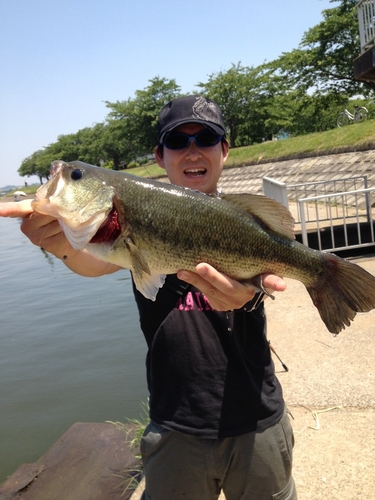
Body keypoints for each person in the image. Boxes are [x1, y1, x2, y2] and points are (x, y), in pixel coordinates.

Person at [0, 95, 296, 500]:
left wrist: (251, 293)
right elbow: (93, 261)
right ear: (160, 156)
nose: (192, 150)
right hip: (175, 425)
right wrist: (62, 245)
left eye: (206, 138)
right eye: (177, 142)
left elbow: (265, 280)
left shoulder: (240, 220)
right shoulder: (131, 219)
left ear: (224, 151)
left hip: (257, 419)